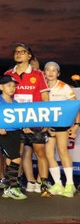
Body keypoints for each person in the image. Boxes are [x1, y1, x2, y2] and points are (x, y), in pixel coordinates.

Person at [5, 43, 50, 195]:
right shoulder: (8, 74)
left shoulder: (38, 74)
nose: (18, 54)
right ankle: (16, 183)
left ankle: (43, 184)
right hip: (15, 121)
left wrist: (46, 120)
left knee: (40, 152)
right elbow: (5, 98)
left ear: (29, 55)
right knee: (16, 154)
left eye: (22, 52)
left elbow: (45, 98)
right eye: (16, 51)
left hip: (35, 120)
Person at [42, 62, 78, 197]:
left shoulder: (64, 86)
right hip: (48, 126)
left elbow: (75, 106)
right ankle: (58, 184)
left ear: (58, 73)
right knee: (49, 154)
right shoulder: (42, 87)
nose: (50, 73)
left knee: (62, 151)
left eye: (54, 70)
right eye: (48, 70)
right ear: (44, 72)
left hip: (62, 124)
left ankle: (70, 184)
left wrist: (76, 125)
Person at [0, 75, 27, 200]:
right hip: (4, 134)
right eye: (8, 85)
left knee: (10, 159)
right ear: (1, 87)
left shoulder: (15, 103)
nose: (12, 88)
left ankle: (8, 188)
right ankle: (12, 187)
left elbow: (20, 118)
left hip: (15, 132)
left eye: (14, 86)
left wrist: (24, 126)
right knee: (17, 159)